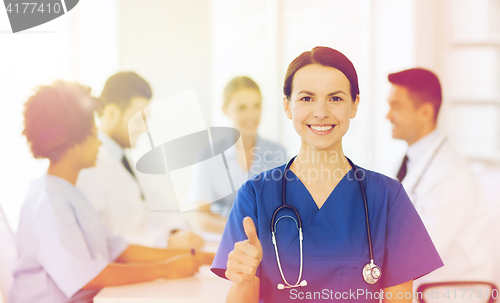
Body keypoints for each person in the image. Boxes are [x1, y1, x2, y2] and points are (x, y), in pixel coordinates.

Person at [211, 47, 443, 303]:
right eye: (307, 98)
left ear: (354, 105)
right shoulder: (254, 196)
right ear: (287, 106)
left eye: (335, 98)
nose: (321, 112)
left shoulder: (388, 198)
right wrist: (243, 277)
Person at [10, 81, 213, 303]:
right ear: (72, 142)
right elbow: (85, 276)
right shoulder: (48, 200)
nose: (99, 144)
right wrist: (166, 269)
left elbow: (117, 249)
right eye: (93, 135)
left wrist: (194, 257)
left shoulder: (70, 194)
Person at [386, 68, 493, 290]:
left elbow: (418, 254)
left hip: (447, 294)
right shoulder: (411, 162)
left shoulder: (451, 175)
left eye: (395, 106)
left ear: (425, 112)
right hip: (417, 290)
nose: (387, 115)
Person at [77, 72, 204, 249]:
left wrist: (177, 231)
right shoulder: (87, 167)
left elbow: (153, 204)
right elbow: (103, 241)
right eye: (139, 119)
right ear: (112, 113)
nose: (145, 129)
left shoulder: (124, 160)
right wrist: (165, 243)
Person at [188, 76, 286, 233]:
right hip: (222, 243)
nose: (251, 115)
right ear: (225, 110)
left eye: (256, 106)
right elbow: (199, 218)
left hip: (268, 246)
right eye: (241, 107)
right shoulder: (208, 155)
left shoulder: (278, 154)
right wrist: (242, 230)